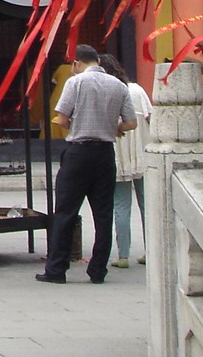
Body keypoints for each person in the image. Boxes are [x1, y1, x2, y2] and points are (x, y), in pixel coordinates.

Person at [37, 43, 136, 285]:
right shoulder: (118, 85)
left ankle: (57, 269)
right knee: (103, 214)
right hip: (105, 154)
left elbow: (62, 119)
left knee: (65, 212)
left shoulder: (75, 82)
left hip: (79, 153)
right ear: (98, 62)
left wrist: (78, 125)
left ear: (76, 63)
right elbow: (131, 122)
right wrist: (114, 127)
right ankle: (98, 270)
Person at [101, 53, 154, 268]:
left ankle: (123, 255)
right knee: (147, 205)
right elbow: (150, 118)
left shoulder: (107, 91)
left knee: (121, 206)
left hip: (119, 154)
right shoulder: (137, 90)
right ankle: (151, 252)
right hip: (142, 152)